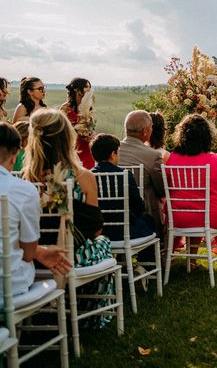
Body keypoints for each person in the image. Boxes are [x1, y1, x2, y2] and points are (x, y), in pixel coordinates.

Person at [22, 109, 113, 328]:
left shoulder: (25, 180)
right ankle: (92, 313)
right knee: (103, 242)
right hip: (69, 257)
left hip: (32, 255)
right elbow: (95, 229)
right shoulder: (82, 177)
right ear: (67, 139)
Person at [0, 122, 71, 299]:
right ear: (15, 154)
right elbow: (28, 253)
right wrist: (40, 251)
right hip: (9, 288)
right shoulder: (22, 190)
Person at [165, 114, 217, 258]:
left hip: (179, 218)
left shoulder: (172, 159)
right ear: (207, 136)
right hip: (214, 217)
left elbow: (167, 187)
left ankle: (191, 259)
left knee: (199, 211)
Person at [90, 134, 154, 242]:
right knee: (149, 220)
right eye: (118, 152)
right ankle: (146, 258)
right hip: (124, 231)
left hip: (99, 231)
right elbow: (138, 206)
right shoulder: (124, 174)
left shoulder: (89, 175)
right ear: (113, 154)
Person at [118, 110, 165, 238]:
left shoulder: (113, 151)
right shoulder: (153, 155)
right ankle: (153, 253)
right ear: (145, 131)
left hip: (115, 216)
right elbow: (162, 190)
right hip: (144, 216)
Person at [60, 77, 95, 169]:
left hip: (86, 147)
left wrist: (90, 133)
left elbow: (90, 126)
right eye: (86, 88)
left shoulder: (88, 108)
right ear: (76, 91)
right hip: (72, 148)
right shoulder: (65, 108)